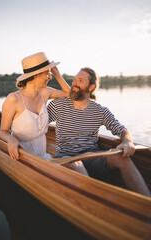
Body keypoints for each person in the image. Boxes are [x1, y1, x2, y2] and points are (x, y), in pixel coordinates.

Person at [47, 67, 151, 197]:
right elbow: (39, 123)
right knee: (76, 164)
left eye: (80, 80)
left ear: (91, 87)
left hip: (92, 158)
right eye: (74, 79)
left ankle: (147, 202)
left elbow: (122, 130)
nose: (74, 83)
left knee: (122, 158)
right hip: (66, 159)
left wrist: (128, 142)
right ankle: (97, 205)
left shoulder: (100, 110)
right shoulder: (58, 105)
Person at [0, 52, 70, 160]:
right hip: (21, 157)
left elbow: (71, 95)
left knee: (77, 163)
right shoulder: (13, 99)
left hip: (43, 156)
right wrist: (11, 140)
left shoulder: (45, 93)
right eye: (47, 73)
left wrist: (58, 75)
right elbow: (3, 131)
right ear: (36, 75)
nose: (50, 77)